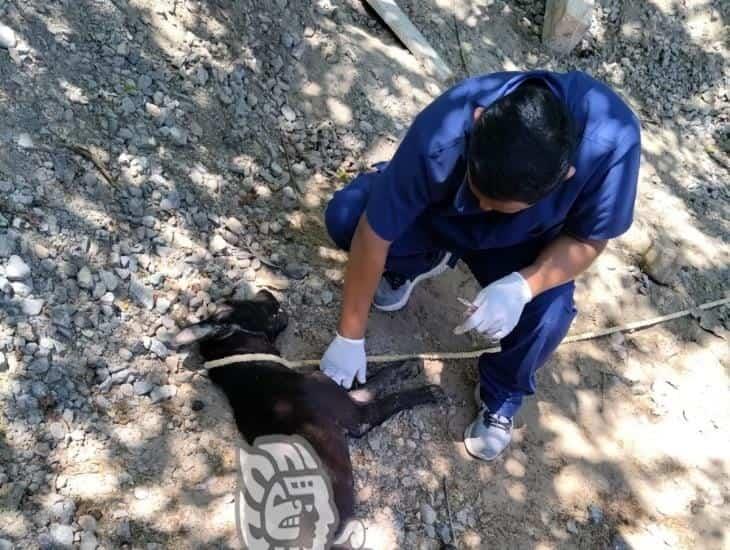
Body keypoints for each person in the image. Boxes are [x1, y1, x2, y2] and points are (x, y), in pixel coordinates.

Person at [319, 70, 641, 461]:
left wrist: (524, 286)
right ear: (477, 124)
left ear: (564, 179)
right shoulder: (449, 122)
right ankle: (421, 260)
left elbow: (589, 239)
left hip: (525, 243)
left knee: (550, 313)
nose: (485, 208)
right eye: (480, 193)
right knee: (347, 216)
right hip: (442, 215)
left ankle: (501, 394)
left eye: (497, 205)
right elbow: (375, 230)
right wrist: (349, 336)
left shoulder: (613, 144)